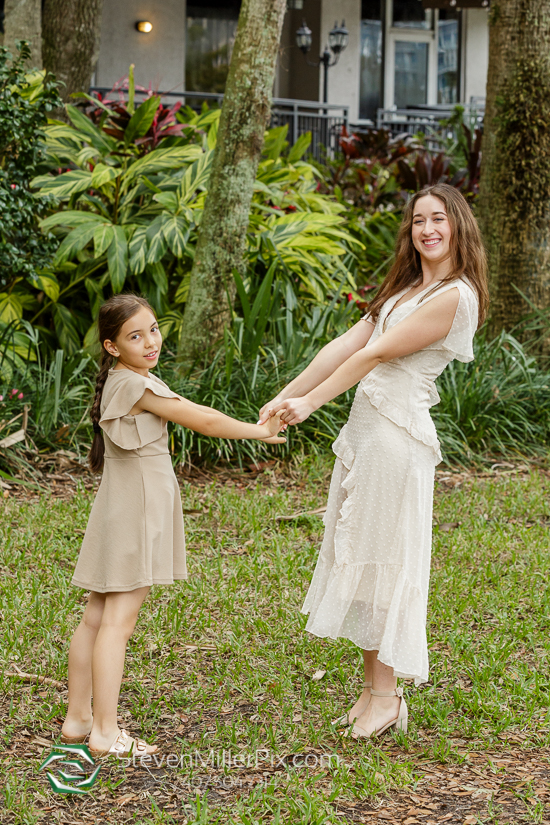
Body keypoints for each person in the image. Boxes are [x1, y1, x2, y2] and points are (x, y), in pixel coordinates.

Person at [259, 184, 489, 739]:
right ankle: (373, 691)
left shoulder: (457, 297)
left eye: (438, 219)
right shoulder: (407, 287)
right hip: (365, 435)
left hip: (396, 438)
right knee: (362, 560)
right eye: (417, 221)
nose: (427, 229)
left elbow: (378, 354)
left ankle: (386, 697)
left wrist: (311, 404)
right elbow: (345, 344)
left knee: (383, 564)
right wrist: (285, 395)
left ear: (459, 225)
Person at [61, 294, 285, 758]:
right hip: (137, 506)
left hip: (121, 504)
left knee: (97, 615)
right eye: (134, 336)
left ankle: (78, 718)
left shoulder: (127, 379)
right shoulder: (133, 385)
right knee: (117, 622)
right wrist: (258, 429)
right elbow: (202, 419)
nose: (150, 341)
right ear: (111, 346)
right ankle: (105, 731)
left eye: (154, 329)